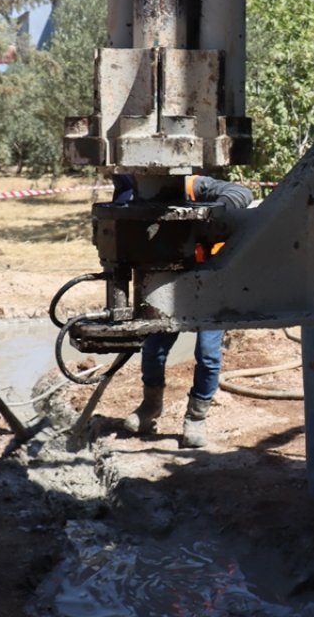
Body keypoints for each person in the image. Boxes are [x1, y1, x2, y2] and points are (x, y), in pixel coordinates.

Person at [116, 174, 254, 448]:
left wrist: (212, 216)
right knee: (154, 347)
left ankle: (196, 419)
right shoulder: (135, 199)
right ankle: (150, 408)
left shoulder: (194, 186)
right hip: (172, 283)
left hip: (212, 282)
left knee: (208, 353)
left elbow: (242, 192)